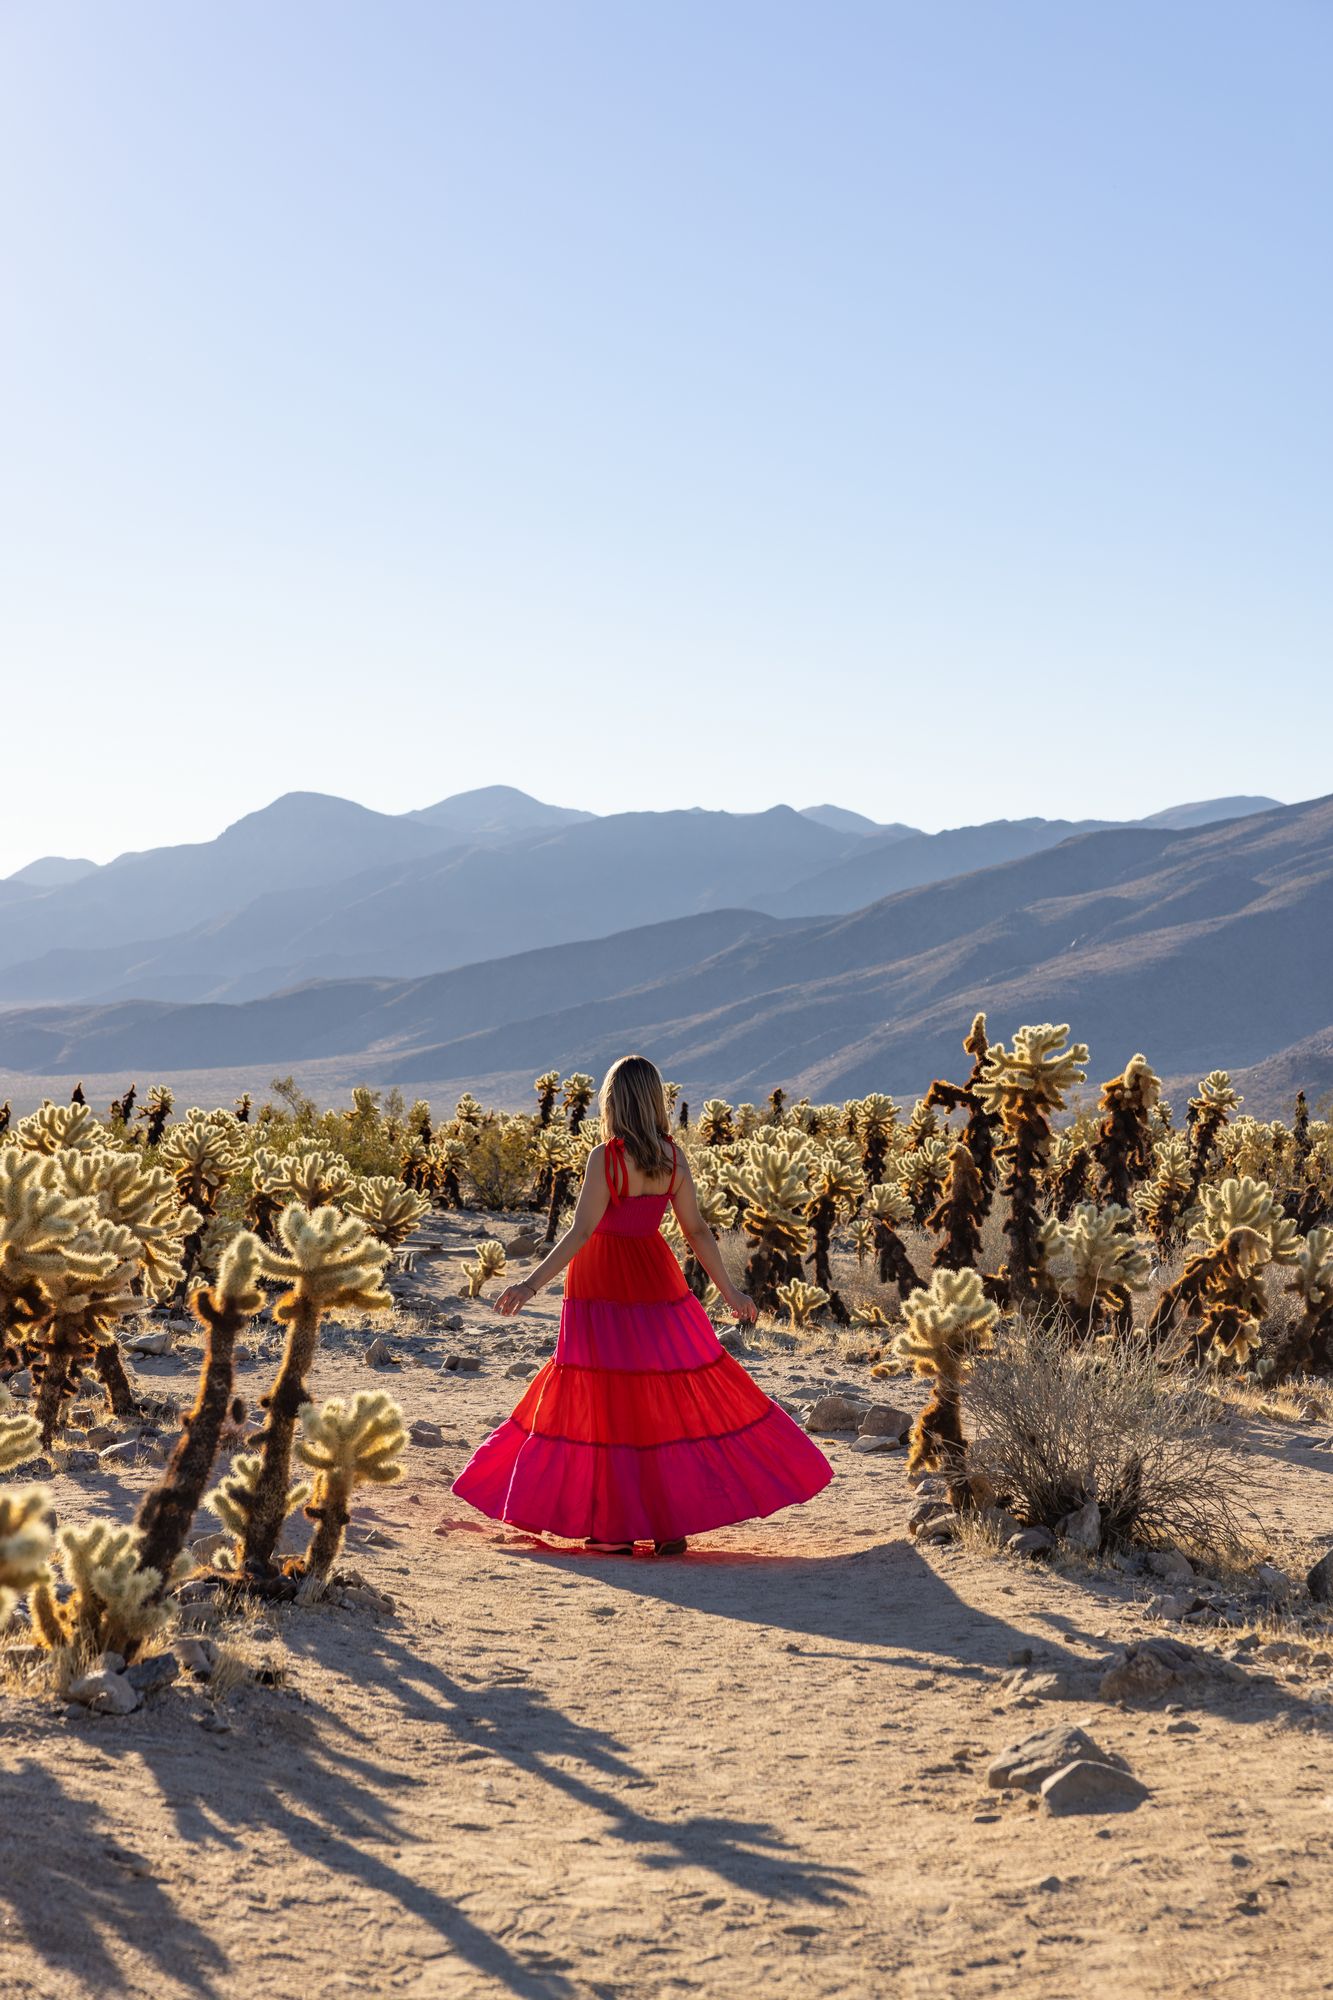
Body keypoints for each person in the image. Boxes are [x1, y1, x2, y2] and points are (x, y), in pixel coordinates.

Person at [450, 1054, 833, 1554]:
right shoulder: (673, 1159)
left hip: (601, 1284)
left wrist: (530, 1284)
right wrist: (729, 1291)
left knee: (605, 1399)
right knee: (658, 1395)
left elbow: (581, 1232)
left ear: (612, 1103)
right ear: (654, 1102)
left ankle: (614, 1530)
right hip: (656, 1280)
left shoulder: (605, 1160)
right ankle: (668, 1523)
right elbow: (697, 1231)